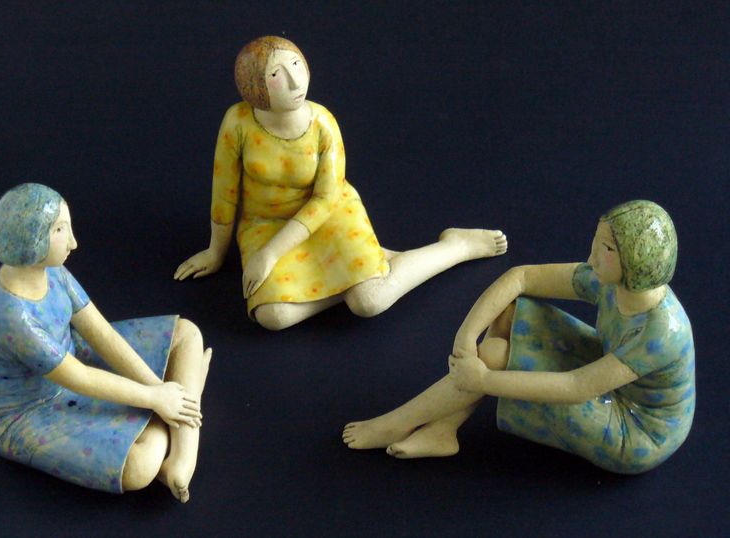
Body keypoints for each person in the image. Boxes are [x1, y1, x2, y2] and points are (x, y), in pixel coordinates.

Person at [174, 35, 507, 330]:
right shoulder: (238, 123)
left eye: (296, 64)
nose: (295, 81)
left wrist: (270, 256)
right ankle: (374, 264)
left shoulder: (323, 123)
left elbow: (325, 199)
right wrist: (216, 252)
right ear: (253, 86)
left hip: (329, 214)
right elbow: (225, 192)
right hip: (265, 223)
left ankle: (456, 247)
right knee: (274, 316)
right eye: (276, 74)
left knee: (370, 301)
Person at [344, 200, 694, 474]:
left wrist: (484, 379)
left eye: (607, 249)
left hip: (635, 430)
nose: (592, 256)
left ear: (634, 262)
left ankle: (397, 423)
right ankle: (443, 429)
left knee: (495, 355)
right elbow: (521, 277)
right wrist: (466, 337)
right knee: (506, 313)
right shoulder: (609, 284)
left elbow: (577, 387)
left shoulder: (660, 333)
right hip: (607, 377)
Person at [0, 183, 211, 502]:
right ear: (31, 239)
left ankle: (181, 460)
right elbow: (79, 378)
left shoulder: (54, 273)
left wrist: (157, 389)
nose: (73, 242)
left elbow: (102, 334)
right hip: (29, 412)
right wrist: (156, 397)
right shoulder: (13, 316)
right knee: (140, 466)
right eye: (60, 230)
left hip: (72, 357)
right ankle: (187, 398)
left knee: (186, 334)